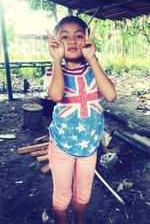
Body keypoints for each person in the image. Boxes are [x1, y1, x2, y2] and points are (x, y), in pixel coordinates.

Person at [46, 16, 116, 224]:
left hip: (89, 147)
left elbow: (110, 96)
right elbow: (57, 95)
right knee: (62, 196)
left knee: (83, 195)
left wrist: (92, 59)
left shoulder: (94, 71)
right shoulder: (54, 72)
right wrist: (56, 60)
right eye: (64, 37)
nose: (72, 41)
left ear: (87, 39)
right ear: (56, 42)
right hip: (62, 147)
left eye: (79, 36)